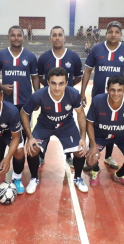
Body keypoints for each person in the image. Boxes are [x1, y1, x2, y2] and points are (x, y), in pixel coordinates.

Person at [21, 67, 88, 194]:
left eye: (61, 83)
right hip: (44, 124)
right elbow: (24, 113)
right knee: (32, 149)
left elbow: (80, 114)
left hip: (66, 125)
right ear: (48, 82)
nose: (57, 88)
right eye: (53, 83)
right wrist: (30, 137)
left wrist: (83, 137)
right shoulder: (39, 95)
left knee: (80, 150)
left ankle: (78, 178)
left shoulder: (73, 94)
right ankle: (34, 179)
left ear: (66, 83)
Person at [81, 21, 124, 175]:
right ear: (106, 33)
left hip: (117, 97)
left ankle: (109, 156)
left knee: (114, 123)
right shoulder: (97, 49)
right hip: (98, 95)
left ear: (120, 34)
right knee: (97, 124)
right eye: (110, 31)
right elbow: (87, 71)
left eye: (116, 32)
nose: (113, 34)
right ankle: (93, 152)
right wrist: (83, 91)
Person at [0, 25, 39, 176]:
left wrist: (37, 97)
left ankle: (22, 160)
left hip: (25, 103)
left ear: (23, 37)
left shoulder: (30, 56)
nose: (16, 38)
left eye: (19, 35)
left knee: (25, 131)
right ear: (8, 37)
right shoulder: (0, 55)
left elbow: (35, 77)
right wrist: (2, 87)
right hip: (6, 103)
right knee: (3, 132)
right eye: (13, 35)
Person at [37, 26, 83, 168]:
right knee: (46, 124)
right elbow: (39, 77)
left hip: (66, 100)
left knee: (67, 124)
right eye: (54, 35)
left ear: (64, 38)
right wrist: (49, 89)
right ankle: (41, 155)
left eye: (60, 35)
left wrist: (66, 88)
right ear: (50, 38)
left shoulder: (73, 56)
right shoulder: (44, 57)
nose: (57, 37)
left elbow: (78, 77)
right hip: (47, 100)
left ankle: (69, 154)